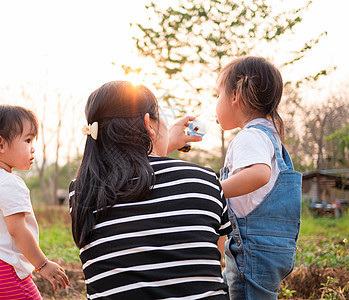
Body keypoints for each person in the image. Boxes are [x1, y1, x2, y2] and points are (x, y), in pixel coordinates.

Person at [69, 81, 232, 299]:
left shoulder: (83, 190)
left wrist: (159, 140)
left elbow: (138, 175)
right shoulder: (205, 180)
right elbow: (208, 264)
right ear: (149, 123)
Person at [215, 56, 302, 299]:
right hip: (270, 247)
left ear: (235, 96)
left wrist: (215, 188)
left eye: (217, 94)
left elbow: (259, 174)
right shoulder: (271, 135)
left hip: (252, 249)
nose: (215, 102)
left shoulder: (250, 136)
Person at [0, 104, 69, 299]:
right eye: (28, 140)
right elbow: (17, 230)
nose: (33, 148)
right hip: (4, 272)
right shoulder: (9, 183)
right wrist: (43, 265)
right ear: (0, 144)